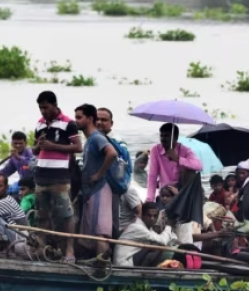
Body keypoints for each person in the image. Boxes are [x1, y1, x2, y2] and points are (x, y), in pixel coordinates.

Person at [33, 91, 82, 262]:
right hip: (41, 176)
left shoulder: (68, 123)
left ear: (55, 105)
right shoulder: (39, 124)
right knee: (42, 215)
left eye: (45, 107)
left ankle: (70, 251)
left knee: (67, 215)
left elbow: (78, 147)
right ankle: (42, 249)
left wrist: (53, 146)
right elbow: (34, 150)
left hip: (60, 178)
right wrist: (38, 146)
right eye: (40, 108)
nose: (43, 111)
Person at [75, 104, 119, 259]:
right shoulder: (89, 140)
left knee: (100, 233)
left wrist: (98, 175)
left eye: (79, 117)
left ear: (89, 119)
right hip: (91, 192)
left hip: (99, 189)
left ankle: (103, 268)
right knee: (91, 232)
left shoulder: (96, 138)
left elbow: (112, 153)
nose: (76, 121)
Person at [145, 124, 203, 202]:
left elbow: (199, 166)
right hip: (165, 192)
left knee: (190, 170)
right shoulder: (156, 150)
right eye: (161, 136)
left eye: (166, 136)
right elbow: (152, 176)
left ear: (175, 137)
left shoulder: (185, 150)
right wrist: (150, 199)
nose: (163, 139)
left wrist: (178, 159)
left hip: (181, 191)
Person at [113, 201, 176, 268]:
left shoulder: (148, 229)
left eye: (155, 216)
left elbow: (162, 240)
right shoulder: (137, 227)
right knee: (155, 247)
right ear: (142, 216)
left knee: (156, 247)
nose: (152, 219)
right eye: (149, 215)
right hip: (123, 264)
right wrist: (169, 226)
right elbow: (163, 241)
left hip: (131, 260)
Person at [0, 174, 27, 244]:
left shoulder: (5, 202)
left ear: (7, 187)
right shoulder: (8, 198)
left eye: (0, 186)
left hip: (19, 238)